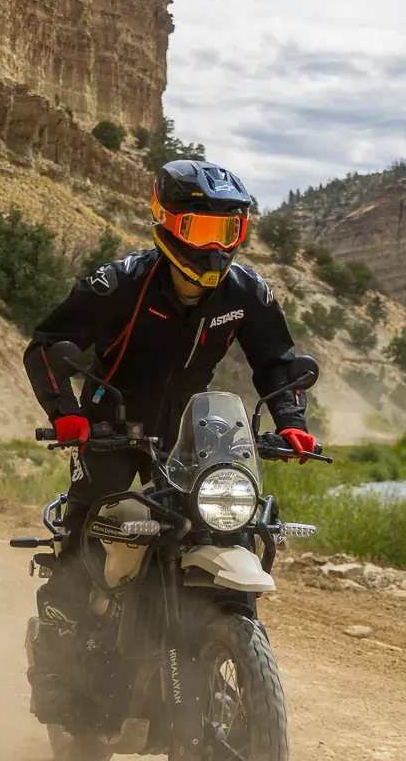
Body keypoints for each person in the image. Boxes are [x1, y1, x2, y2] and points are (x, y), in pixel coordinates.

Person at [21, 158, 319, 727]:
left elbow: (278, 362)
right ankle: (56, 668)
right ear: (164, 223)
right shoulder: (120, 284)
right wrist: (66, 415)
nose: (212, 248)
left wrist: (291, 420)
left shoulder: (246, 291)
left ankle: (215, 640)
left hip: (192, 433)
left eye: (225, 232)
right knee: (86, 536)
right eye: (198, 230)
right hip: (110, 428)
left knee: (225, 523)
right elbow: (48, 344)